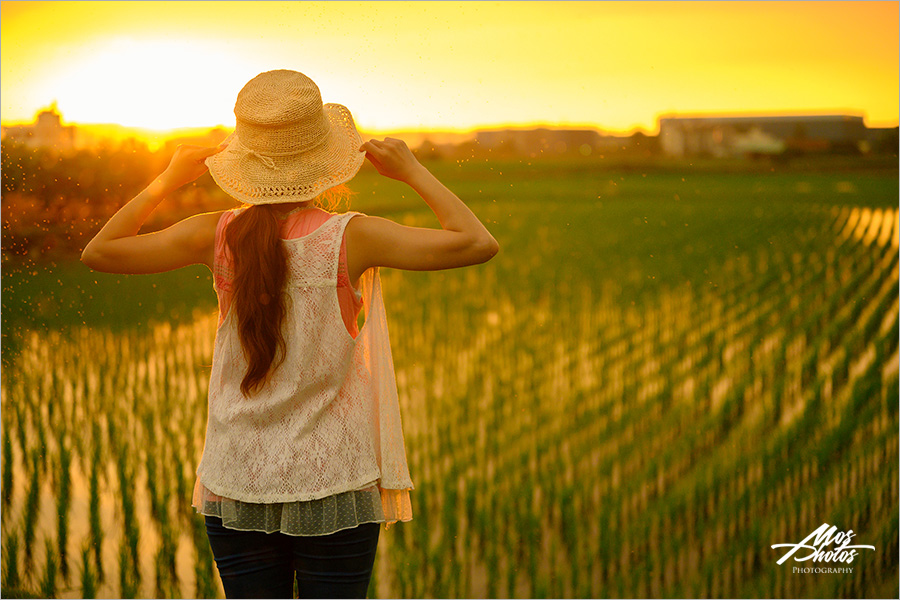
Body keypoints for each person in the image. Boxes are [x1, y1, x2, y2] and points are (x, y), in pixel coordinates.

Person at [81, 69, 499, 599]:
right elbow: (476, 243)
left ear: (244, 163)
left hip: (237, 480)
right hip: (334, 482)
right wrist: (413, 172)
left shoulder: (214, 234)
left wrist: (167, 179)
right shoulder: (354, 238)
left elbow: (99, 252)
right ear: (325, 162)